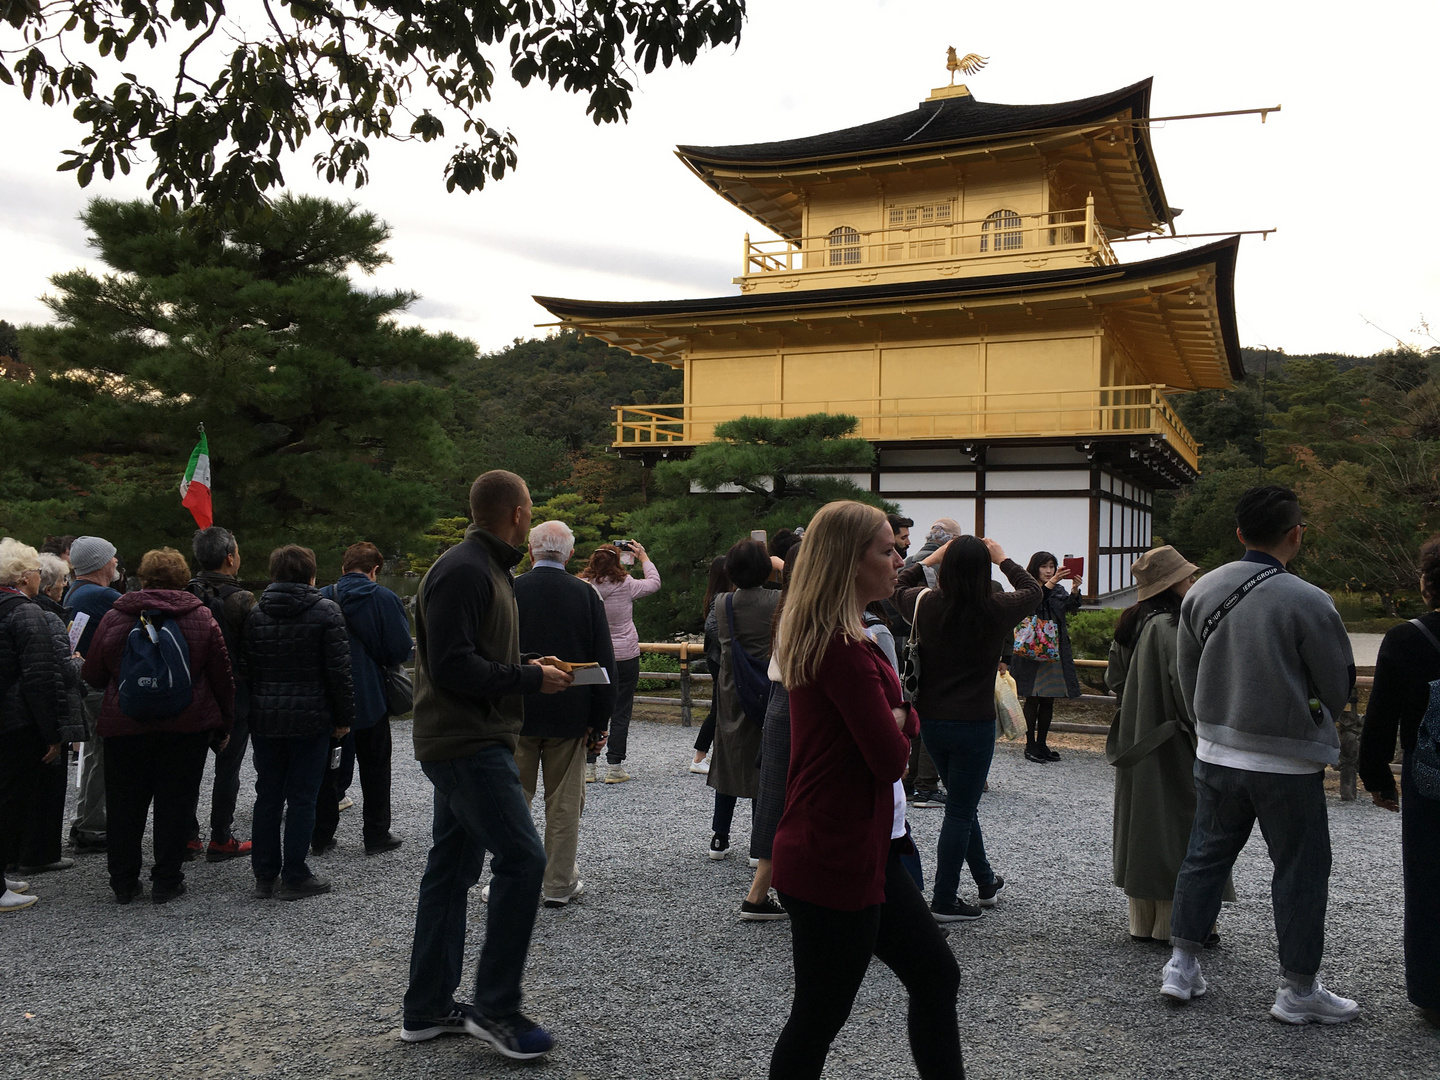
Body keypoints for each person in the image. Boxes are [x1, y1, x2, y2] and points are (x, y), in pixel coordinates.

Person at [769, 501, 961, 1080]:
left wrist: (901, 717)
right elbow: (890, 757)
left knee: (934, 974)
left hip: (868, 846)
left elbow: (902, 726)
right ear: (850, 563)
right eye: (887, 549)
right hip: (835, 850)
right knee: (819, 1016)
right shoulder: (843, 650)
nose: (900, 559)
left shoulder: (835, 637)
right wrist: (901, 719)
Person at [1163, 485, 1359, 1024]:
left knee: (1204, 855)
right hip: (1286, 759)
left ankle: (1181, 966)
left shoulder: (1203, 588)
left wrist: (1209, 721)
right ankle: (1297, 989)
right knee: (1300, 867)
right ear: (1296, 534)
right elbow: (1337, 686)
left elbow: (1187, 673)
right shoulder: (1309, 600)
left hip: (1216, 748)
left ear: (1239, 533)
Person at [401, 469, 571, 1058]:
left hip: (468, 737)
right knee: (524, 860)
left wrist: (528, 662)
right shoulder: (466, 569)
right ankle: (496, 1008)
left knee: (450, 871)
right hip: (467, 741)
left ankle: (426, 1007)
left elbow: (473, 652)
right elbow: (450, 666)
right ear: (518, 513)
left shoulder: (485, 567)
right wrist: (528, 678)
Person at [895, 534, 1040, 921]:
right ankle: (944, 900)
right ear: (983, 570)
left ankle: (985, 879)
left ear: (947, 567)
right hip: (975, 722)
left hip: (932, 720)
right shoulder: (997, 607)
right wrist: (1004, 558)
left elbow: (898, 584)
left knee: (963, 803)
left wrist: (931, 558)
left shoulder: (925, 603)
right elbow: (1033, 590)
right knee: (960, 809)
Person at [81, 547, 235, 904]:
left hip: (126, 724)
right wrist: (224, 724)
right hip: (186, 726)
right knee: (175, 803)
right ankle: (167, 879)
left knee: (124, 804)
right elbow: (221, 677)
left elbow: (92, 674)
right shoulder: (200, 617)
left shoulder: (116, 616)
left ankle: (123, 882)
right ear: (183, 578)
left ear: (144, 577)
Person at [1105, 546, 1233, 943]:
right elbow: (1188, 690)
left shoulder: (1132, 622)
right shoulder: (1173, 626)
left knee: (1144, 826)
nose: (1192, 582)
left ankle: (1145, 923)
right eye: (1186, 577)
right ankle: (1186, 924)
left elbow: (1115, 680)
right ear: (1170, 584)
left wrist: (1141, 702)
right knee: (1182, 828)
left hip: (1137, 738)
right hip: (1175, 741)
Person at [513, 520, 616, 907]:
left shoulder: (511, 589)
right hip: (570, 713)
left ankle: (511, 878)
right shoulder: (585, 595)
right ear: (570, 554)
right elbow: (604, 664)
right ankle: (558, 883)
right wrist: (600, 721)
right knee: (564, 802)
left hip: (517, 709)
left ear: (530, 551)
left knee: (513, 799)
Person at [1359, 534, 1440, 1024]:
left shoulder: (1407, 638)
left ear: (1428, 584)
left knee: (1429, 878)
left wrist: (1378, 780)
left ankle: (1433, 993)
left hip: (1430, 775)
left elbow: (1381, 719)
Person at [243, 544, 354, 900]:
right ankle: (295, 873)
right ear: (311, 573)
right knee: (303, 797)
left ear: (274, 574)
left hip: (266, 717)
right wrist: (343, 718)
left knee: (268, 795)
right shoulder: (326, 612)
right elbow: (339, 673)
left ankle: (264, 874)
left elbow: (248, 669)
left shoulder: (257, 613)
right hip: (311, 716)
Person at [313, 541, 413, 856]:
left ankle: (322, 835)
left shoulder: (323, 597)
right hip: (371, 697)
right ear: (374, 570)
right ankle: (376, 834)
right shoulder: (384, 598)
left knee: (328, 770)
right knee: (376, 769)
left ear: (343, 568)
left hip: (330, 700)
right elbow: (399, 650)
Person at [0, 539, 69, 912]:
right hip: (17, 721)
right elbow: (40, 678)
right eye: (36, 571)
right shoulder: (26, 614)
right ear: (24, 575)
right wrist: (51, 733)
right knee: (10, 801)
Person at [186, 526, 257, 862]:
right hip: (234, 691)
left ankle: (187, 835)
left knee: (189, 767)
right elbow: (254, 649)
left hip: (192, 691)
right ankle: (221, 836)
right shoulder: (241, 599)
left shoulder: (185, 593)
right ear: (230, 557)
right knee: (228, 768)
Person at [707, 539, 780, 860]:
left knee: (729, 760)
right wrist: (782, 565)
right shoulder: (779, 600)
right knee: (764, 766)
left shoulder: (722, 603)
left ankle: (719, 838)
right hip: (769, 687)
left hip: (731, 688)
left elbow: (713, 635)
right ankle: (758, 844)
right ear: (765, 569)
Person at [743, 539, 803, 921]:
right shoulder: (808, 607)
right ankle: (765, 892)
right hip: (797, 699)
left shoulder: (788, 602)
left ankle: (759, 893)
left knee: (773, 796)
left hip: (779, 701)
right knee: (789, 796)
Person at [16, 553, 85, 874]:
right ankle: (41, 853)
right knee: (47, 787)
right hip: (46, 713)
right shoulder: (47, 618)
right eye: (61, 582)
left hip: (19, 713)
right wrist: (78, 661)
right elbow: (61, 671)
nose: (64, 587)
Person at [579, 539, 660, 783]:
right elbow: (654, 583)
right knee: (621, 710)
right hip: (625, 654)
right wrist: (643, 557)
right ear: (617, 561)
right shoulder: (627, 584)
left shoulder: (583, 586)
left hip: (594, 654)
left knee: (592, 707)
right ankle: (614, 766)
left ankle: (589, 765)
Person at [63, 534, 122, 854]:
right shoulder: (102, 596)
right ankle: (93, 827)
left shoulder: (75, 592)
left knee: (92, 754)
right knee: (103, 756)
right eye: (112, 557)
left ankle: (86, 820)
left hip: (83, 686)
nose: (116, 562)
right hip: (99, 688)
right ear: (99, 562)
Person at [1010, 550, 1082, 763]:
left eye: (1052, 566)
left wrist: (1075, 589)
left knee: (1048, 699)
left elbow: (1069, 607)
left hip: (1053, 649)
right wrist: (1051, 583)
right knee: (1033, 697)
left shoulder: (1058, 588)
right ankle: (1029, 744)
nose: (1049, 570)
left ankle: (1042, 744)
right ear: (1035, 567)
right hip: (1032, 650)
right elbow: (1034, 602)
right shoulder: (1026, 586)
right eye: (1044, 566)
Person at [689, 555, 731, 774]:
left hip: (715, 657)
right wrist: (730, 643)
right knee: (718, 708)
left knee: (720, 707)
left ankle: (707, 755)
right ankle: (699, 757)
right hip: (719, 658)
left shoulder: (714, 595)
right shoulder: (721, 598)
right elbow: (711, 626)